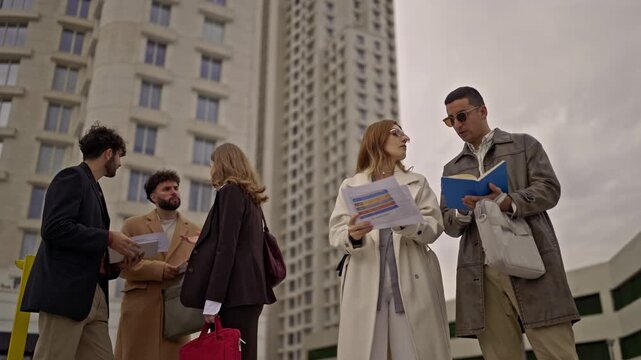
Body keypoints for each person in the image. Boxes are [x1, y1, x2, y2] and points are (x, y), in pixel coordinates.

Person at [440, 86, 580, 359]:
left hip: (531, 260)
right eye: (450, 120)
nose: (457, 125)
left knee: (556, 352)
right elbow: (448, 223)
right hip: (481, 273)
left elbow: (550, 189)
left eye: (462, 116)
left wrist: (507, 201)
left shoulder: (524, 145)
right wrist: (462, 213)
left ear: (483, 111)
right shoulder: (452, 169)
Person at [329, 120, 451, 360]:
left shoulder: (418, 182)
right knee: (367, 353)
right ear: (376, 140)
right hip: (365, 286)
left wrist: (406, 222)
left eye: (404, 134)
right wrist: (352, 235)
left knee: (414, 353)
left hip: (410, 284)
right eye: (397, 133)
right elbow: (336, 232)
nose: (406, 139)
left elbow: (435, 227)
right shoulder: (351, 185)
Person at [21, 124, 143, 360]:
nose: (120, 163)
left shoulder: (95, 189)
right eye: (119, 156)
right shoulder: (71, 177)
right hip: (67, 295)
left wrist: (116, 264)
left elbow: (87, 244)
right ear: (109, 153)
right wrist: (109, 237)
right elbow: (54, 228)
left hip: (95, 296)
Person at [181, 143, 276, 360]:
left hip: (234, 295)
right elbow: (240, 243)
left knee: (230, 354)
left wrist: (212, 301)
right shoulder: (251, 199)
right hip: (249, 294)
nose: (212, 170)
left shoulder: (230, 192)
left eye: (213, 164)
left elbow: (227, 249)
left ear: (222, 164)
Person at [114, 170, 201, 360]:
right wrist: (159, 270)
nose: (174, 192)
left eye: (176, 188)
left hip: (178, 312)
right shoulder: (132, 225)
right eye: (167, 189)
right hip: (140, 310)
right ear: (153, 196)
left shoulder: (194, 230)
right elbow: (121, 265)